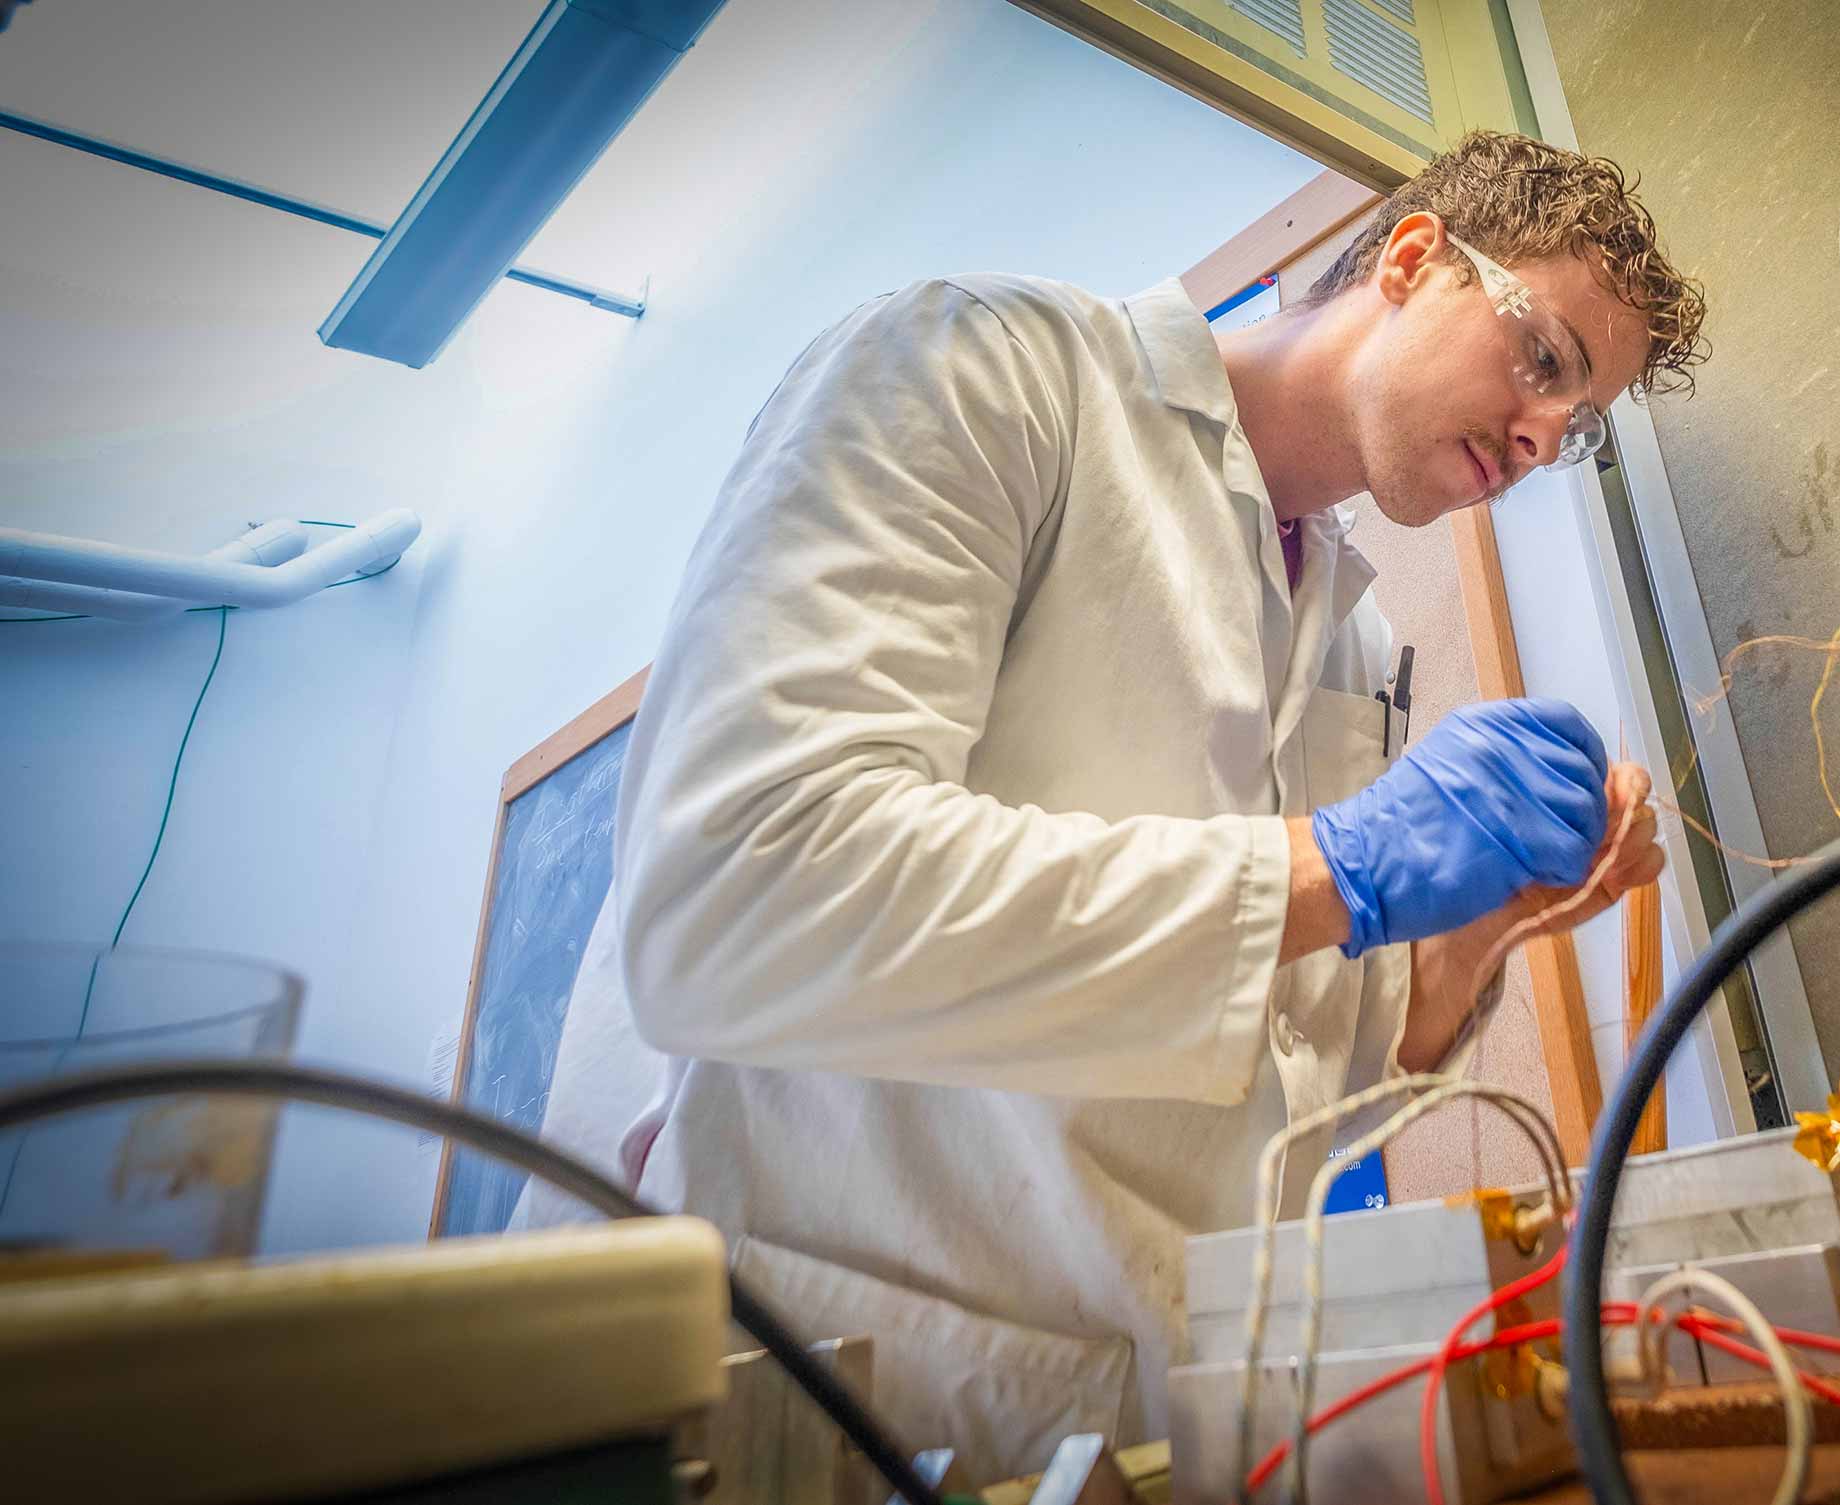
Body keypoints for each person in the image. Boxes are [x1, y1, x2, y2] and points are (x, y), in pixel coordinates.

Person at [529, 129, 1707, 1481]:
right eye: (1546, 359)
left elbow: (1294, 1053)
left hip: (1162, 1423)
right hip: (833, 1394)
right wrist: (1334, 863)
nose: (1544, 432)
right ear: (1414, 256)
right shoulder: (988, 374)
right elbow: (736, 892)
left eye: (1580, 422)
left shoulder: (1352, 641)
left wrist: (1490, 924)